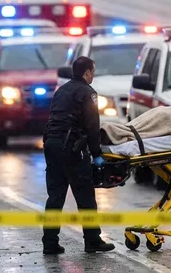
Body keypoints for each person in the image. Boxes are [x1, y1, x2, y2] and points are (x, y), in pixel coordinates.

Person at [41, 56, 115, 255]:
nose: (93, 75)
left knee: (55, 196)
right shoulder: (88, 93)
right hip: (72, 148)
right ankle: (92, 240)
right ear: (87, 72)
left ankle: (49, 242)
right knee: (85, 196)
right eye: (93, 71)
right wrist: (97, 154)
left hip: (52, 144)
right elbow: (92, 126)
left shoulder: (61, 90)